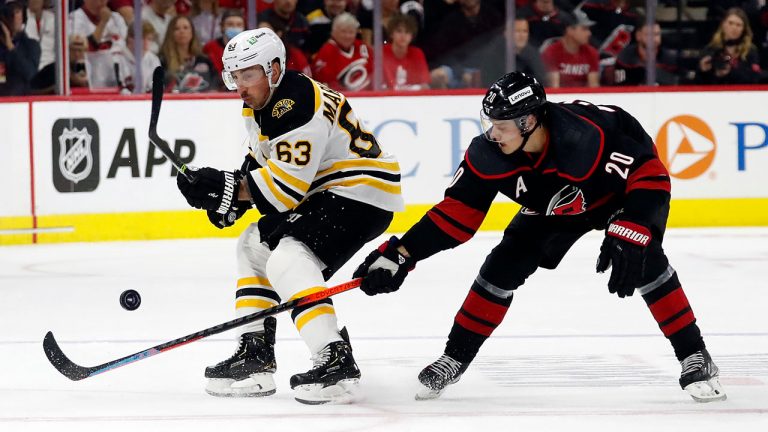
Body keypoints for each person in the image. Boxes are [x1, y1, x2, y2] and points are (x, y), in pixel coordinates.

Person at [353, 71, 727, 404]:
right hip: (555, 206)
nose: (492, 133)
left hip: (615, 196)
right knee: (502, 265)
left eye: (501, 124)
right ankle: (455, 357)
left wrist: (637, 224)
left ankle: (695, 355)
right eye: (490, 122)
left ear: (529, 120)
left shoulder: (588, 136)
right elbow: (458, 214)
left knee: (645, 261)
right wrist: (403, 253)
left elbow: (650, 172)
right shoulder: (490, 153)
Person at [175, 28, 403, 404]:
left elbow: (284, 190)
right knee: (253, 245)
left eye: (248, 74)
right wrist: (228, 199)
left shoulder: (295, 102)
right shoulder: (262, 105)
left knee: (288, 256)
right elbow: (264, 162)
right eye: (234, 76)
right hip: (330, 190)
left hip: (360, 192)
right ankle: (255, 355)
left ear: (275, 68)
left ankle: (335, 359)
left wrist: (228, 186)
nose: (240, 86)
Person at [696, 7, 762, 85]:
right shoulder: (710, 50)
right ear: (723, 25)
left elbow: (755, 78)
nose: (734, 28)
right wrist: (702, 70)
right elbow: (698, 83)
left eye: (738, 25)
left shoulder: (750, 51)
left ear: (743, 29)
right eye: (730, 23)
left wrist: (731, 72)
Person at [607, 18, 679, 86]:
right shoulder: (624, 58)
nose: (654, 39)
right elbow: (620, 89)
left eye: (657, 34)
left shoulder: (670, 60)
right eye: (649, 34)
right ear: (638, 36)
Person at [312, 12, 372, 92]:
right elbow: (324, 84)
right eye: (343, 31)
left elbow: (375, 72)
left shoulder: (362, 47)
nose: (347, 36)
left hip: (368, 97)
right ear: (333, 32)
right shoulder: (326, 52)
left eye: (351, 32)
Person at [541, 9, 600, 87]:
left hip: (584, 97)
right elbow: (554, 88)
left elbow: (594, 88)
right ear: (570, 30)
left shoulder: (592, 53)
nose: (589, 33)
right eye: (584, 29)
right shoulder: (551, 52)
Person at [160, 15, 218, 92]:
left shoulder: (204, 60)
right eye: (177, 28)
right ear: (171, 33)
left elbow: (215, 84)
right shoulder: (163, 61)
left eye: (185, 28)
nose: (182, 31)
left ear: (192, 32)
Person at [0, 0, 41, 96]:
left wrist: (11, 47)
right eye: (10, 12)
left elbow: (30, 74)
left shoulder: (31, 45)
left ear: (24, 16)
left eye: (18, 12)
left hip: (21, 102)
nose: (14, 17)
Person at [382, 13, 430, 90]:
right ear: (391, 34)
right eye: (399, 31)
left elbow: (425, 86)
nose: (403, 35)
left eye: (407, 32)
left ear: (412, 36)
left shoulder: (417, 53)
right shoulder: (382, 53)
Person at [113, 21, 161, 94]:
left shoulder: (153, 59)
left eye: (149, 39)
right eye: (142, 38)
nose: (146, 43)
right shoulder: (117, 58)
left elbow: (155, 87)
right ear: (130, 38)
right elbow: (118, 88)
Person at [202, 8, 245, 76]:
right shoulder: (210, 47)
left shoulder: (249, 48)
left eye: (239, 25)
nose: (235, 28)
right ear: (222, 26)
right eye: (230, 24)